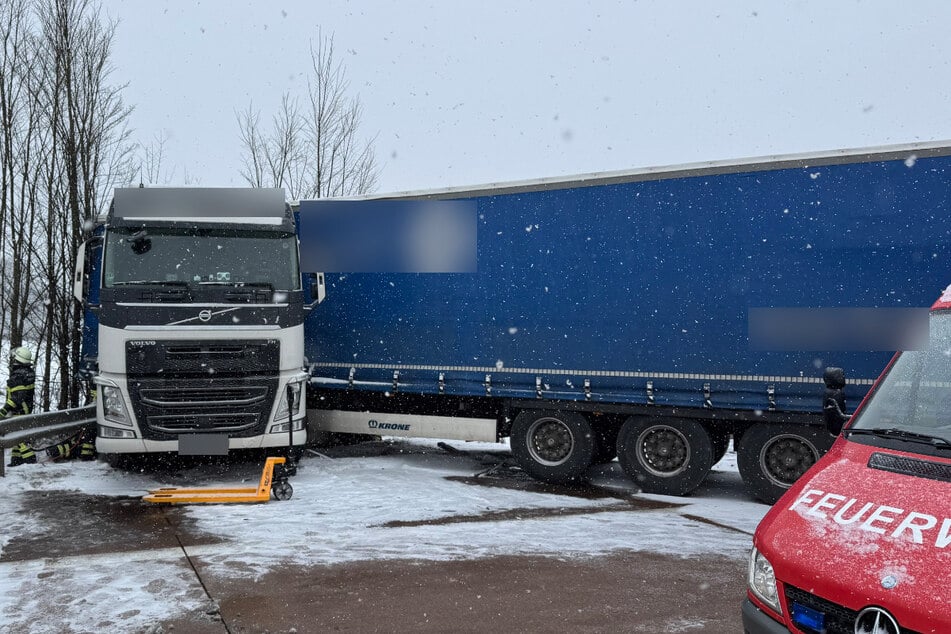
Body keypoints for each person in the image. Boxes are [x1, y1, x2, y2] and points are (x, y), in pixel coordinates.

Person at [1, 346, 35, 418]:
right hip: (26, 410)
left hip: (17, 412)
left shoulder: (18, 376)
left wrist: (4, 410)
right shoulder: (29, 372)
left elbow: (17, 398)